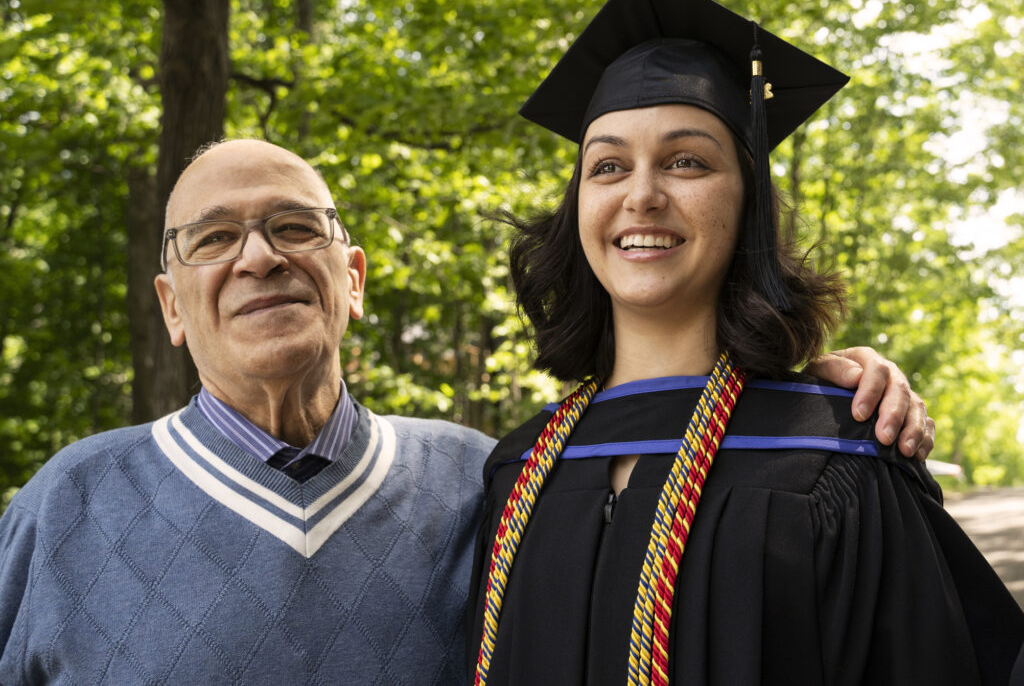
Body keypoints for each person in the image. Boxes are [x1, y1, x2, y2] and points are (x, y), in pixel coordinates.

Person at [0, 149, 929, 678]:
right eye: (213, 239)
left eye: (294, 227)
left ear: (352, 278)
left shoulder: (490, 484)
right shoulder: (63, 508)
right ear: (170, 305)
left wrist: (817, 393)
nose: (258, 258)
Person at [468, 0, 1024, 685]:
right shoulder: (517, 469)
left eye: (687, 161)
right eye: (607, 166)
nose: (641, 195)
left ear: (748, 201)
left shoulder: (835, 456)